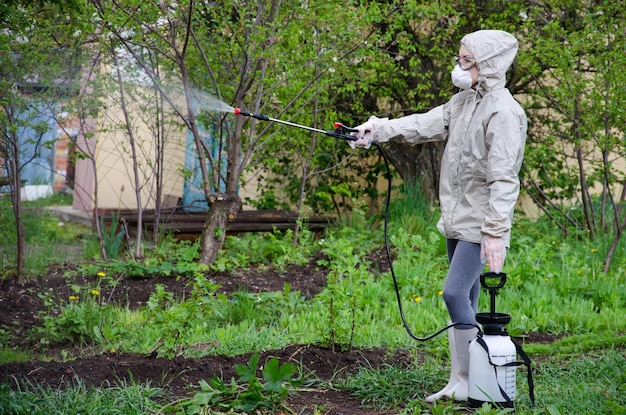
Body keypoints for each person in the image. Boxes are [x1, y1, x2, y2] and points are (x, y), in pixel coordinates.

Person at [351, 29, 527, 402]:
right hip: (457, 217)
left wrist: (495, 231)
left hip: (481, 223)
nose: (458, 67)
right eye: (459, 58)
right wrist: (376, 130)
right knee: (469, 299)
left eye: (466, 61)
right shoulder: (464, 102)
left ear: (489, 65)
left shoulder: (505, 112)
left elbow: (504, 178)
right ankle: (462, 380)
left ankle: (467, 379)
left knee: (453, 292)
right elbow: (422, 124)